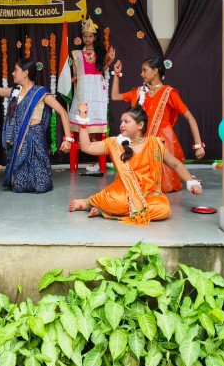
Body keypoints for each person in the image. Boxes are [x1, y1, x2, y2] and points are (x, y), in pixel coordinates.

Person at [69, 103, 203, 224]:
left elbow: (176, 164)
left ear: (140, 125)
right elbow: (87, 147)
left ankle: (106, 210)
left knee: (163, 210)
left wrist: (191, 182)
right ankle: (90, 202)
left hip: (150, 195)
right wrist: (83, 121)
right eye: (121, 121)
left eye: (126, 121)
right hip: (122, 193)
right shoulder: (114, 143)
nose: (122, 125)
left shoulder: (155, 144)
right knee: (117, 202)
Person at [0, 57, 72, 193]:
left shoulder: (41, 93)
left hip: (35, 139)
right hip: (18, 139)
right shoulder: (14, 92)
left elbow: (63, 112)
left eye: (16, 70)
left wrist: (68, 139)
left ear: (25, 73)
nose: (13, 73)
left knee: (41, 185)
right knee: (18, 185)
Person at [110, 55, 205, 192]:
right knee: (135, 184)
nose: (141, 74)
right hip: (141, 140)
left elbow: (190, 118)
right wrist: (117, 74)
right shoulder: (139, 92)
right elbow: (115, 96)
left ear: (155, 71)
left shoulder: (168, 93)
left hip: (163, 141)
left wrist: (198, 145)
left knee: (162, 186)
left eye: (145, 70)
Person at [68, 18, 114, 173]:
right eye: (85, 36)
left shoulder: (100, 53)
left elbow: (101, 70)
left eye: (90, 36)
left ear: (95, 37)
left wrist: (110, 61)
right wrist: (72, 79)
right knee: (82, 113)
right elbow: (75, 73)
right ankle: (84, 141)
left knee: (95, 116)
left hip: (96, 90)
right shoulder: (77, 54)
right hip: (82, 88)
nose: (87, 39)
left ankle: (96, 149)